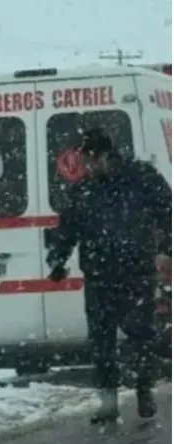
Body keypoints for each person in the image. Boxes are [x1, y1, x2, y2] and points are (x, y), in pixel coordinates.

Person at [46, 128, 172, 424]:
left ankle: (144, 389)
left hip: (135, 271)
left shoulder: (141, 178)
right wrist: (57, 259)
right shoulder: (83, 190)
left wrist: (167, 244)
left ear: (101, 156)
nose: (85, 168)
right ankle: (108, 402)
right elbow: (68, 229)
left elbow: (168, 209)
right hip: (99, 275)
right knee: (101, 340)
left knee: (141, 334)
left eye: (88, 161)